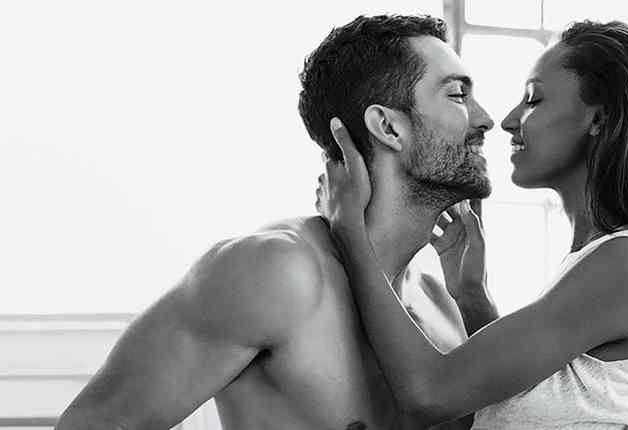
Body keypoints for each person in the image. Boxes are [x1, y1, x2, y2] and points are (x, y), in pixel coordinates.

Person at [56, 14, 494, 430]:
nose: (485, 119)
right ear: (387, 127)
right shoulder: (276, 272)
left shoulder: (441, 303)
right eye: (458, 95)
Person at [319, 20, 628, 429]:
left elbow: (429, 394)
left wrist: (350, 230)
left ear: (600, 119)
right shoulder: (610, 261)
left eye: (533, 99)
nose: (507, 120)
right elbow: (514, 398)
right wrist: (472, 296)